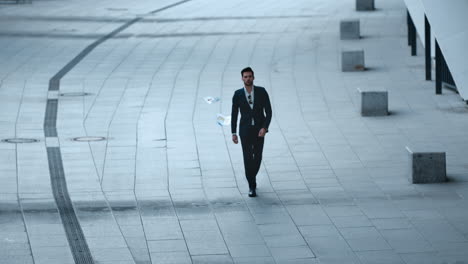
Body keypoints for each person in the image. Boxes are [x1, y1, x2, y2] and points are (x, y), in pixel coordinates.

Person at [231, 67, 272, 197]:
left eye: (250, 76)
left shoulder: (261, 92)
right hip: (245, 131)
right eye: (245, 76)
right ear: (242, 78)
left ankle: (251, 176)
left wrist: (264, 128)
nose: (248, 78)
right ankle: (251, 185)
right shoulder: (237, 94)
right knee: (248, 158)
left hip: (259, 130)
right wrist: (233, 132)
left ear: (254, 77)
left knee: (258, 157)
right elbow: (234, 114)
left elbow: (269, 112)